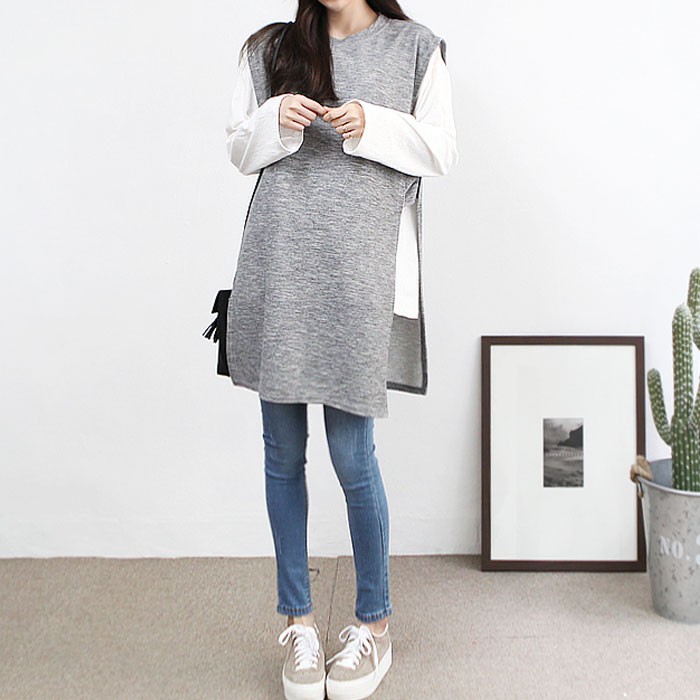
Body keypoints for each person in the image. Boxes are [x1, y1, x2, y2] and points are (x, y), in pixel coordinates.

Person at [224, 1, 457, 698]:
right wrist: (276, 119)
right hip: (279, 269)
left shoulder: (416, 47)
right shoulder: (269, 48)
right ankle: (297, 621)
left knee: (354, 459)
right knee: (280, 453)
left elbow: (441, 150)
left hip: (358, 278)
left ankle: (373, 625)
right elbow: (238, 149)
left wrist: (371, 123)